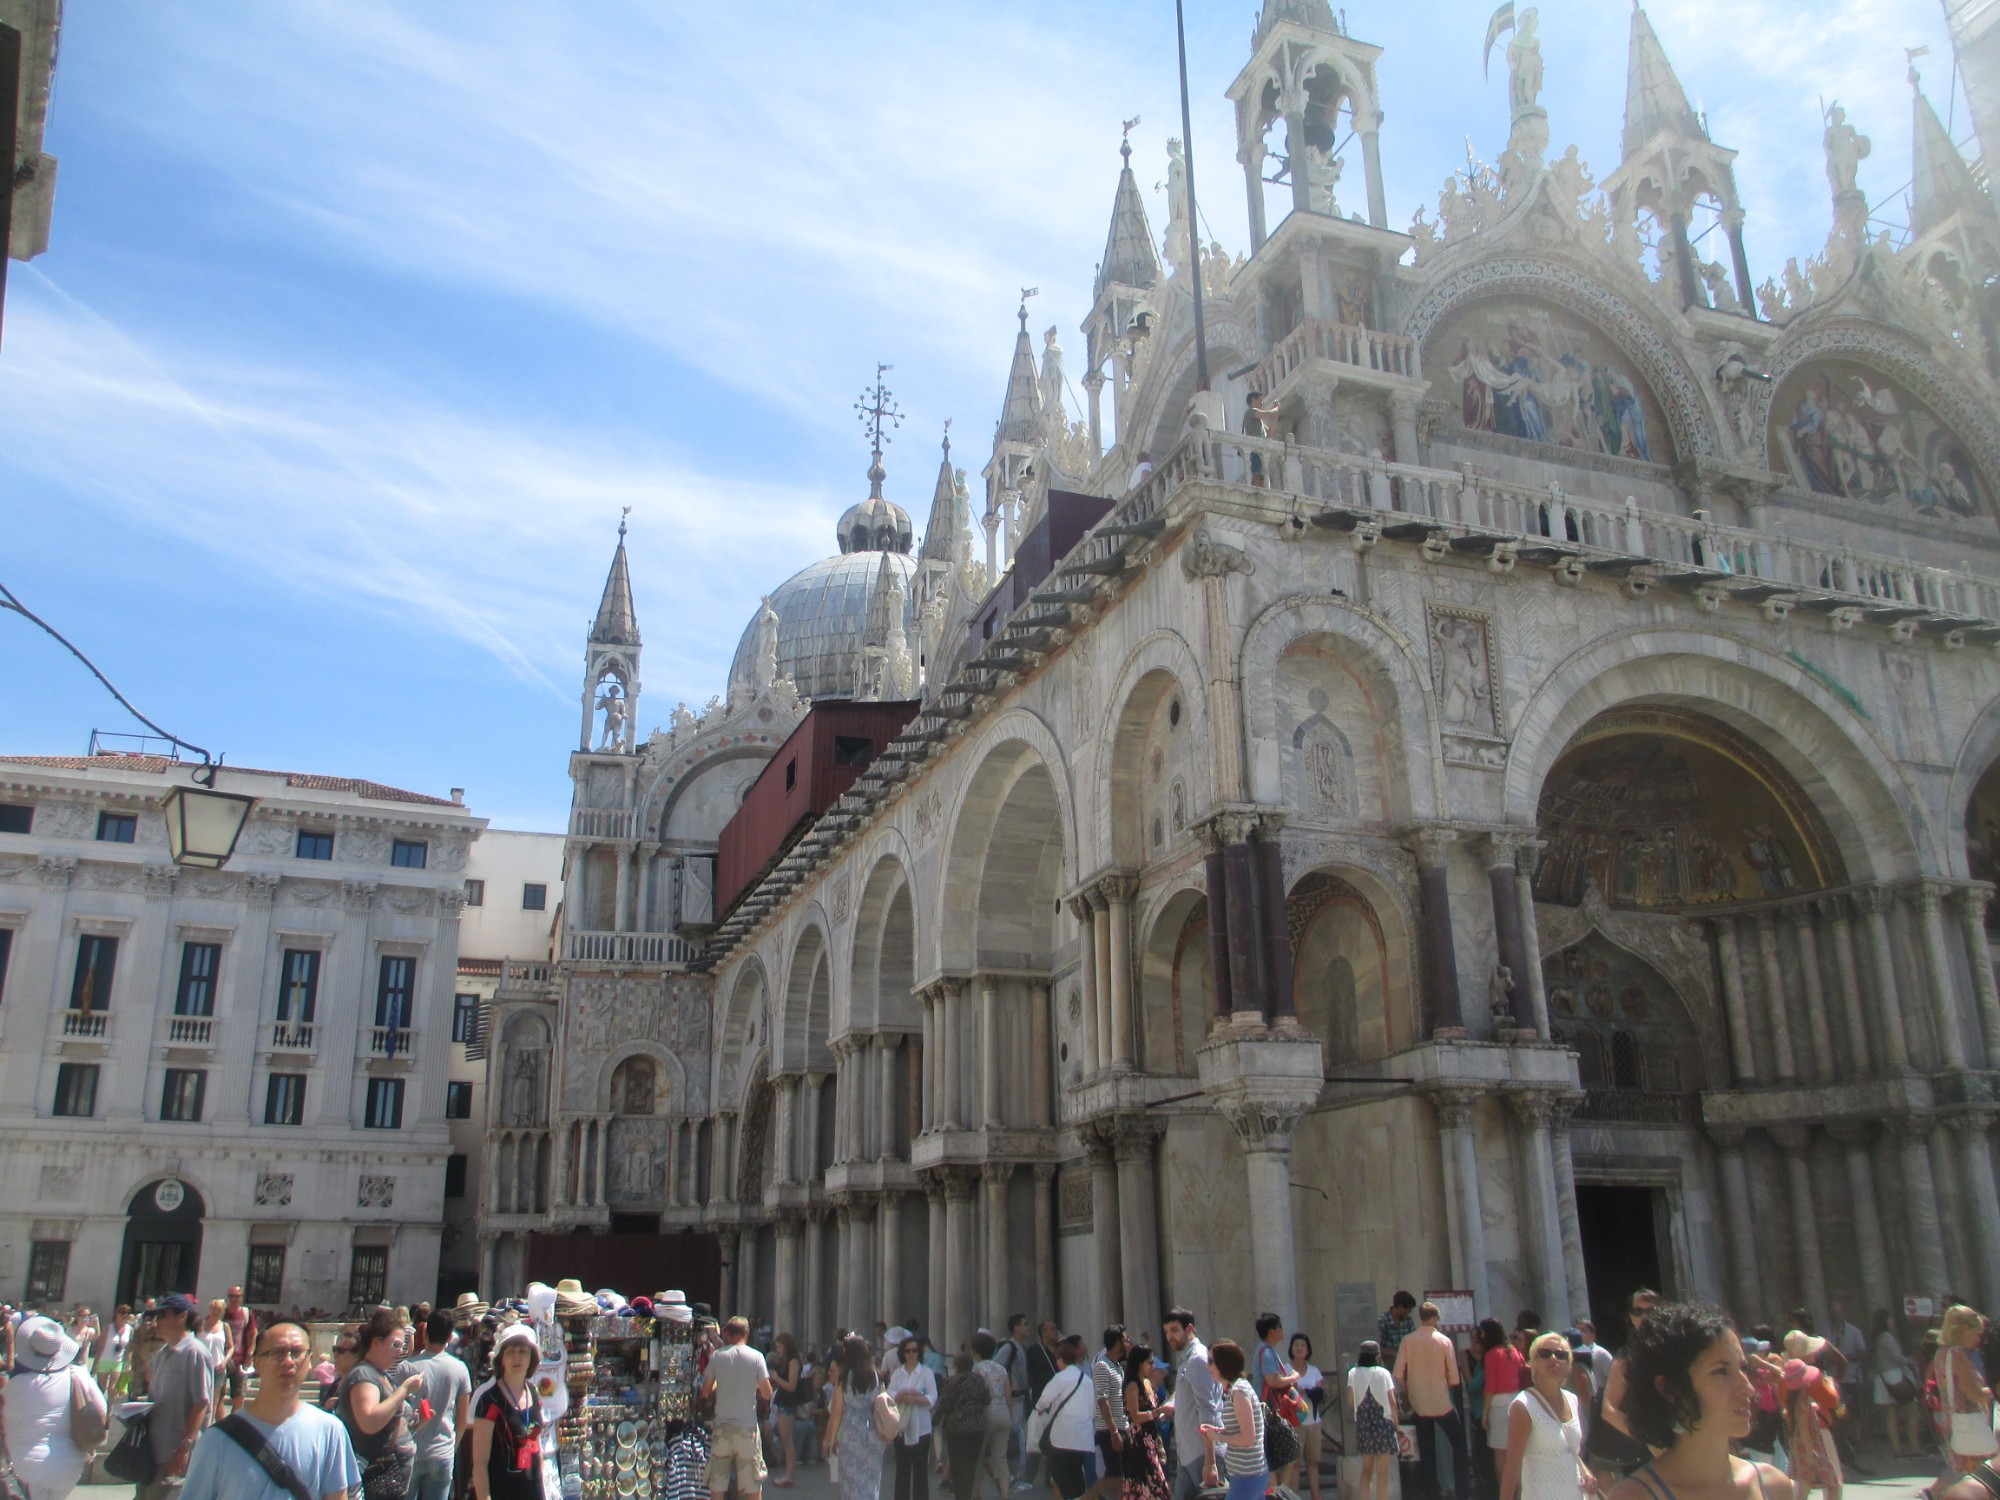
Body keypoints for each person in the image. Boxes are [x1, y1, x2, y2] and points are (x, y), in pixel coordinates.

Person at [1605, 1300, 1792, 1500]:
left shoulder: (1773, 1486)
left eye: (1743, 1369)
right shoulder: (1635, 1496)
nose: (1748, 1388)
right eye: (1721, 1371)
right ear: (1669, 1388)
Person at [181, 1318, 362, 1500]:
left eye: (297, 1352)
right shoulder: (217, 1440)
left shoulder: (330, 1430)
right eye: (277, 1353)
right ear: (257, 1362)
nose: (288, 1361)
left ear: (309, 1361)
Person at [2, 1314, 107, 1500]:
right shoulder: (79, 1375)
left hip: (25, 1463)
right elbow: (101, 1411)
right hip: (69, 1463)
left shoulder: (15, 1385)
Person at [142, 1293, 219, 1500]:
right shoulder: (162, 1354)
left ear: (181, 1317)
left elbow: (201, 1402)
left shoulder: (195, 1352)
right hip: (153, 1450)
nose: (156, 1323)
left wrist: (184, 1449)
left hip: (176, 1452)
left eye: (162, 1316)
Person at [337, 1308, 420, 1500]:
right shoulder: (364, 1375)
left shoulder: (381, 1375)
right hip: (371, 1475)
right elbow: (369, 1421)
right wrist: (405, 1390)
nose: (400, 1351)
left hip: (388, 1475)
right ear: (376, 1343)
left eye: (402, 1345)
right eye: (396, 1345)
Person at [394, 1311, 472, 1500]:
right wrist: (454, 1444)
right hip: (442, 1450)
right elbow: (463, 1416)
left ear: (425, 1333)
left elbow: (396, 1409)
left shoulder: (407, 1367)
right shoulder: (460, 1368)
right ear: (449, 1337)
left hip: (410, 1450)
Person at [1394, 1302, 1467, 1500]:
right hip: (1441, 1401)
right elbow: (1454, 1378)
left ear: (1421, 1317)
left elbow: (1398, 1374)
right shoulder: (1444, 1341)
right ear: (1435, 1318)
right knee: (1459, 1444)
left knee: (1426, 1450)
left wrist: (1410, 1390)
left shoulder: (1408, 1340)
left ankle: (1432, 1492)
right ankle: (1462, 1492)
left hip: (1419, 1402)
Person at [1499, 1332, 1585, 1500]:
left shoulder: (1572, 1400)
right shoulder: (1524, 1405)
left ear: (1569, 1364)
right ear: (1533, 1364)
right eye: (1545, 1354)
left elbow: (1572, 1452)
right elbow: (1511, 1468)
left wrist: (1587, 1474)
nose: (1554, 1359)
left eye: (1561, 1355)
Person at [1586, 1289, 1658, 1486]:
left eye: (1651, 1310)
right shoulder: (1626, 1355)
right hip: (1645, 1452)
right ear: (1630, 1317)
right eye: (1638, 1311)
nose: (1644, 1317)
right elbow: (1609, 1410)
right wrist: (1652, 1441)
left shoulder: (1676, 1348)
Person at [704, 1317, 774, 1500]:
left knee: (718, 1484)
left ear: (729, 1334)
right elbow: (767, 1393)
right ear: (747, 1334)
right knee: (752, 1483)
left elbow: (705, 1391)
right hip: (746, 1428)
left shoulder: (717, 1356)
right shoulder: (756, 1356)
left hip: (722, 1428)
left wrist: (722, 1384)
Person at [470, 1324, 543, 1500]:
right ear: (501, 1358)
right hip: (501, 1492)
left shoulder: (533, 1392)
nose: (517, 1358)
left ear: (532, 1358)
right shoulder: (490, 1400)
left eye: (523, 1351)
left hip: (532, 1491)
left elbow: (537, 1447)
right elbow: (479, 1464)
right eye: (510, 1352)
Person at [1159, 1310, 1220, 1500]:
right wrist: (1173, 1402)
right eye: (1167, 1331)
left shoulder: (1197, 1359)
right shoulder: (1188, 1358)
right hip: (1187, 1455)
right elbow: (1187, 1390)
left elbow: (1207, 1409)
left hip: (1201, 1454)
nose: (1170, 1336)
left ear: (1190, 1328)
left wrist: (1210, 1463)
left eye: (1174, 1330)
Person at [1197, 1340, 1267, 1500]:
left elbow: (1249, 1438)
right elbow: (1240, 1429)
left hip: (1249, 1475)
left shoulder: (1239, 1392)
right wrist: (1218, 1431)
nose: (1208, 1367)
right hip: (1243, 1474)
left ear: (1223, 1363)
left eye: (1210, 1361)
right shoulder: (1232, 1390)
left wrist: (1218, 1437)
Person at [1028, 1338, 1095, 1500]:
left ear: (1060, 1359)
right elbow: (1093, 1409)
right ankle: (1081, 1496)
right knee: (1076, 1471)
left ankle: (1072, 1497)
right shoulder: (1087, 1380)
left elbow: (1043, 1401)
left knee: (1055, 1467)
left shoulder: (1060, 1378)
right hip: (1084, 1435)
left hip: (1063, 1434)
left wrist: (1039, 1409)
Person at [1935, 1305, 1997, 1472]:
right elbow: (1973, 1394)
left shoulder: (1941, 1353)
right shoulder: (1957, 1355)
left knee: (1964, 1474)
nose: (1979, 1340)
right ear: (1964, 1330)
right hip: (1970, 1427)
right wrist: (1994, 1390)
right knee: (1983, 1476)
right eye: (1977, 1333)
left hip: (1955, 1424)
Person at [828, 1335, 887, 1500]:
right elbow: (881, 1403)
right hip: (872, 1431)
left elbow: (837, 1411)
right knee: (871, 1480)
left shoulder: (845, 1377)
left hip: (851, 1431)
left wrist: (833, 1439)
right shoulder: (875, 1375)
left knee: (851, 1480)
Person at [887, 1333, 938, 1500]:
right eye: (908, 1351)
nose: (911, 1354)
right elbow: (889, 1394)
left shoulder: (926, 1372)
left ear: (919, 1352)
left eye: (914, 1350)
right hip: (901, 1427)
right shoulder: (897, 1374)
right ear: (903, 1353)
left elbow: (932, 1397)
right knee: (902, 1470)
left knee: (921, 1471)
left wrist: (915, 1398)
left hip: (922, 1428)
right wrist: (901, 1394)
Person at [1251, 1315, 1299, 1492]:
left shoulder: (1267, 1350)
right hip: (1268, 1413)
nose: (1282, 1330)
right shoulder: (1266, 1351)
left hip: (1269, 1413)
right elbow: (1273, 1380)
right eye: (1280, 1326)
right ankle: (1276, 1493)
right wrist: (1292, 1377)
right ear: (1272, 1331)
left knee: (1282, 1456)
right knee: (1282, 1455)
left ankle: (1277, 1492)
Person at [1781, 1360, 1841, 1500]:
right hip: (1810, 1450)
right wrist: (1809, 1454)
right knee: (1833, 1484)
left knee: (1804, 1487)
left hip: (1799, 1448)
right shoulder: (1803, 1402)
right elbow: (1804, 1429)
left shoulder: (1791, 1401)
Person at [1346, 1341, 1398, 1500]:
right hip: (1384, 1423)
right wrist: (1397, 1424)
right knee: (1383, 1471)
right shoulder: (1384, 1373)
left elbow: (1350, 1400)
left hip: (1364, 1424)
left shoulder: (1353, 1373)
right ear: (1377, 1356)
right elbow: (1392, 1401)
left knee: (1366, 1470)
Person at [1118, 1343, 1170, 1500]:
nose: (1153, 1366)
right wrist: (1158, 1412)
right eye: (1150, 1362)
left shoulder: (1147, 1383)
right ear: (1140, 1364)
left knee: (1157, 1486)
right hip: (1139, 1442)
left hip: (1152, 1438)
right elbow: (1135, 1416)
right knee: (1147, 1486)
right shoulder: (1133, 1385)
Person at [938, 1354, 993, 1500]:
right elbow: (987, 1399)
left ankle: (961, 1495)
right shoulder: (978, 1380)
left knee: (958, 1465)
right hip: (977, 1428)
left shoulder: (953, 1381)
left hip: (956, 1429)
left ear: (957, 1366)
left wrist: (934, 1421)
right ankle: (967, 1495)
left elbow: (944, 1404)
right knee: (971, 1465)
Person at [1086, 1328, 1132, 1500]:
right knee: (1114, 1476)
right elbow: (1102, 1399)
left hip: (1122, 1427)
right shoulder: (1102, 1366)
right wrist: (1113, 1431)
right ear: (1118, 1343)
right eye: (1126, 1341)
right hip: (1110, 1430)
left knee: (1121, 1477)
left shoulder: (1117, 1366)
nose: (1129, 1344)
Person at [1483, 1317, 1529, 1485]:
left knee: (1500, 1453)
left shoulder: (1491, 1354)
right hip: (1518, 1402)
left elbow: (1490, 1386)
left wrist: (1484, 1413)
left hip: (1499, 1405)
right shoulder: (1515, 1352)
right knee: (1516, 1451)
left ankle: (1505, 1493)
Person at [1870, 1308, 1921, 1458]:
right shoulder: (1886, 1336)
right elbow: (1897, 1357)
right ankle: (1915, 1448)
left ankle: (1897, 1450)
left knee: (1891, 1415)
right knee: (1912, 1412)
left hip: (1883, 1378)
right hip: (1894, 1376)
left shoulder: (1876, 1337)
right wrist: (1910, 1360)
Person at [970, 1332, 1013, 1500]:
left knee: (978, 1456)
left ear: (975, 1352)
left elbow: (975, 1395)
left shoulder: (977, 1369)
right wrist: (1011, 1416)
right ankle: (1004, 1494)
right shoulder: (1001, 1368)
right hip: (1003, 1413)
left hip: (985, 1414)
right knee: (1000, 1458)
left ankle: (975, 1494)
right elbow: (1008, 1395)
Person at [1289, 1335, 1327, 1500]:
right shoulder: (1285, 1370)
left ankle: (1316, 1496)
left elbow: (1320, 1393)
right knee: (1295, 1463)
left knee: (1312, 1461)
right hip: (1294, 1421)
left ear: (1308, 1350)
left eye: (1303, 1345)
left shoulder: (1314, 1371)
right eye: (1296, 1345)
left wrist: (1306, 1391)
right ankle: (1293, 1496)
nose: (1299, 1348)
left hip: (1313, 1420)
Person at [768, 1332, 807, 1489]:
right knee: (786, 1440)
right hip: (783, 1402)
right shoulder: (786, 1361)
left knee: (787, 1441)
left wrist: (777, 1378)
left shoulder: (793, 1362)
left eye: (780, 1346)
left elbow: (791, 1386)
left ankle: (789, 1475)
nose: (778, 1350)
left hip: (788, 1404)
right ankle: (789, 1474)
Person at [998, 1317, 1033, 1492]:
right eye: (1025, 1324)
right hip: (1013, 1400)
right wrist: (1008, 1387)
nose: (1028, 1328)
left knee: (1021, 1438)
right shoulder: (1008, 1347)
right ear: (1016, 1327)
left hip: (1022, 1399)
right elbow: (996, 1367)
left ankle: (1018, 1476)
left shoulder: (1021, 1348)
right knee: (1014, 1438)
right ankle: (1012, 1477)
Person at [221, 1288, 259, 1417]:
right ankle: (220, 1423)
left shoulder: (246, 1313)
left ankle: (233, 1420)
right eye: (230, 1296)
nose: (233, 1299)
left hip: (240, 1359)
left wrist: (250, 1353)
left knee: (239, 1394)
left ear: (241, 1297)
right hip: (222, 1358)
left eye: (236, 1296)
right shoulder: (222, 1312)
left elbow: (252, 1333)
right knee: (218, 1394)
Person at [94, 1306, 135, 1404]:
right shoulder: (109, 1328)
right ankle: (100, 1408)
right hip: (104, 1360)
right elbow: (100, 1347)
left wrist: (129, 1364)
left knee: (113, 1388)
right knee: (102, 1387)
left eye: (127, 1313)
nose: (124, 1315)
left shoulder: (129, 1329)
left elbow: (129, 1348)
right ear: (116, 1314)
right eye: (122, 1313)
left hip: (118, 1361)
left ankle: (110, 1411)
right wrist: (95, 1364)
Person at [203, 1299, 235, 1421]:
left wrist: (225, 1361)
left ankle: (208, 1425)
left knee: (214, 1401)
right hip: (202, 1367)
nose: (216, 1311)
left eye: (219, 1309)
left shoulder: (224, 1326)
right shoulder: (201, 1324)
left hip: (218, 1367)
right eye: (214, 1308)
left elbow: (231, 1347)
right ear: (209, 1308)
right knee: (202, 1398)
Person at [320, 1335, 360, 1412]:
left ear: (357, 1355)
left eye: (341, 1351)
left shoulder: (360, 1385)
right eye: (334, 1349)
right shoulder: (335, 1384)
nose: (335, 1355)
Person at [1572, 1324, 1611, 1397]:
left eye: (1583, 1330)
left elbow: (1613, 1378)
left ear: (1593, 1336)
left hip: (1599, 1399)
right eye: (1577, 1330)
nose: (1579, 1333)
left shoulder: (1600, 1353)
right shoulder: (1570, 1354)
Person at [1380, 1295, 1419, 1366]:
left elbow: (1414, 1341)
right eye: (1408, 1309)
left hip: (1406, 1363)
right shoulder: (1382, 1320)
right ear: (1400, 1307)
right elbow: (1377, 1348)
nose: (1410, 1312)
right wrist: (1396, 1354)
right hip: (1387, 1363)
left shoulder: (1408, 1320)